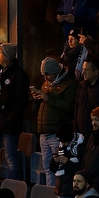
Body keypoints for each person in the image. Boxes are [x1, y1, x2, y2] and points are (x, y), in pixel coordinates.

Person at [0, 43, 30, 179]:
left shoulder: (20, 76)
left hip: (9, 125)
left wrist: (10, 119)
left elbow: (20, 102)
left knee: (10, 157)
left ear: (7, 56)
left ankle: (15, 188)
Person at [35, 56, 79, 187]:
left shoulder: (69, 84)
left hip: (56, 133)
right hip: (44, 132)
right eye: (43, 75)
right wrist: (38, 98)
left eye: (47, 74)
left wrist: (47, 98)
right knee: (48, 168)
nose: (45, 78)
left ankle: (58, 195)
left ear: (55, 71)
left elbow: (68, 106)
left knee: (59, 169)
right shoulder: (47, 83)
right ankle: (50, 194)